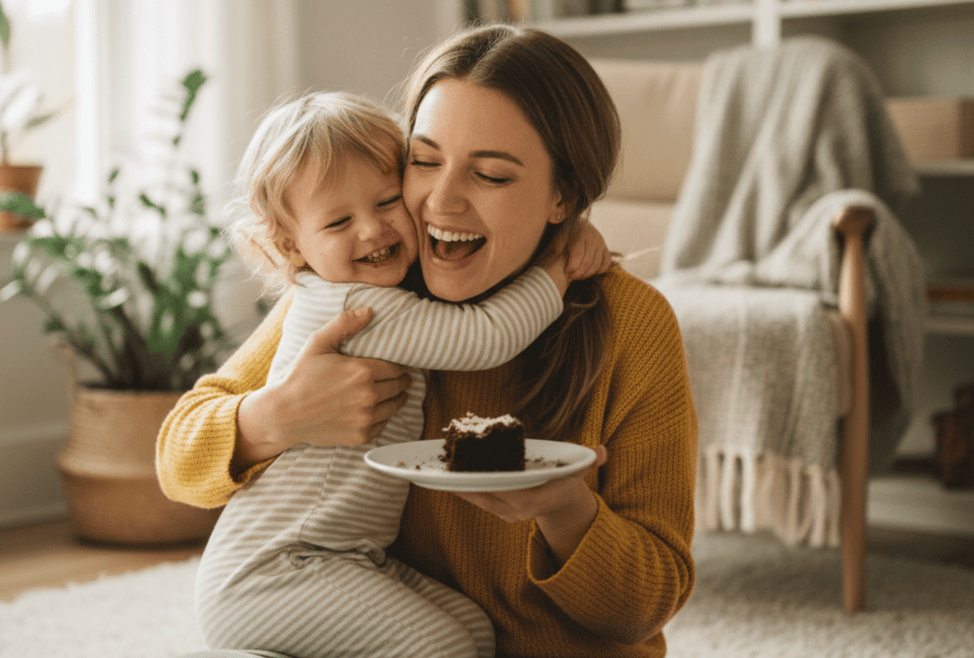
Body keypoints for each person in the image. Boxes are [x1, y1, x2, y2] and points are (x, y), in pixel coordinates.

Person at [159, 23, 698, 658]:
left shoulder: (631, 324)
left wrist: (565, 511)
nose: (441, 202)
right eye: (424, 161)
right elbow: (177, 459)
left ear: (563, 196)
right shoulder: (371, 287)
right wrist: (275, 416)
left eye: (491, 175)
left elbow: (644, 606)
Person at [193, 90, 610, 658]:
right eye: (339, 220)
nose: (372, 230)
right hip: (274, 570)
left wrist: (560, 227)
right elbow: (484, 336)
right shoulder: (353, 305)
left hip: (342, 555)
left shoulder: (376, 288)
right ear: (291, 245)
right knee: (439, 646)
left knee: (472, 629)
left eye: (388, 202)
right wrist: (557, 264)